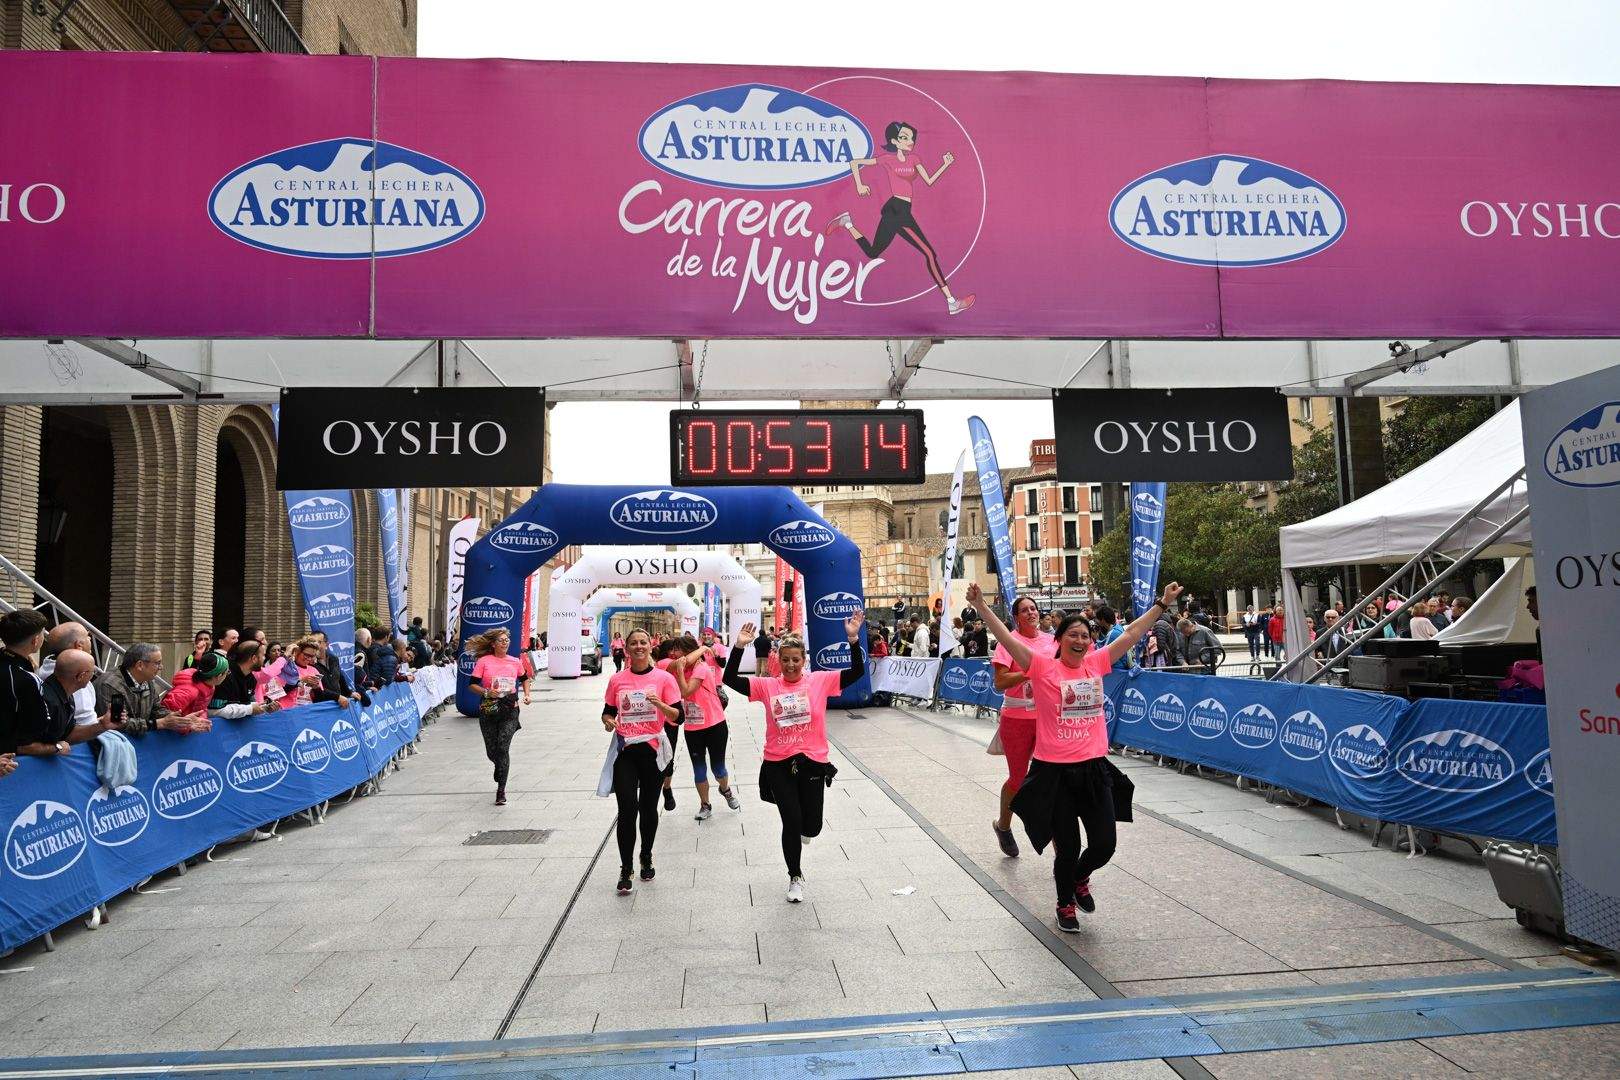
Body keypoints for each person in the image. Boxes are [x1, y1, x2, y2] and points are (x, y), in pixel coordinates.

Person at [969, 579, 1181, 932]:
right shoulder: (1042, 667)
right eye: (1073, 635)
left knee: (1104, 846)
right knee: (1066, 848)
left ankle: (1080, 878)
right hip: (1055, 773)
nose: (1080, 641)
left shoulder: (1096, 664)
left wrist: (1162, 603)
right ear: (1059, 640)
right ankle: (1065, 902)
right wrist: (980, 607)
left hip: (1094, 769)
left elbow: (1130, 636)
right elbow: (1006, 640)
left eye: (1086, 636)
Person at [722, 614, 866, 903]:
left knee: (811, 826)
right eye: (785, 660)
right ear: (779, 660)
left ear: (804, 661)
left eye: (795, 660)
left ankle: (805, 832)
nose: (790, 665)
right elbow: (729, 679)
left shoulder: (819, 681)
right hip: (778, 762)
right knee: (791, 820)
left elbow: (856, 673)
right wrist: (738, 647)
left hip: (813, 761)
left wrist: (852, 639)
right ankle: (795, 876)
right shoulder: (767, 686)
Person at [824, 120, 974, 316]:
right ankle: (951, 302)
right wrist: (859, 184)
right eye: (904, 138)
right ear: (894, 141)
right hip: (896, 210)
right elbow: (855, 163)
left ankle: (847, 222)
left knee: (872, 252)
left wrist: (945, 165)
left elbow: (929, 181)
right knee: (929, 253)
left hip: (903, 211)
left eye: (911, 138)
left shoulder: (915, 159)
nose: (909, 141)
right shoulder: (888, 159)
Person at [601, 628, 683, 894]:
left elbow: (678, 716)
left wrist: (658, 703)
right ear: (626, 648)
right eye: (634, 643)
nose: (639, 646)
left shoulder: (664, 678)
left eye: (643, 642)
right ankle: (626, 867)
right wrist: (608, 722)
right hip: (626, 752)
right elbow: (608, 712)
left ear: (651, 646)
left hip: (652, 751)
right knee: (627, 809)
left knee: (649, 808)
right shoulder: (617, 680)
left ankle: (646, 855)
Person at [988, 595, 1054, 857]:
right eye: (1024, 610)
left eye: (1033, 609)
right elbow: (1000, 681)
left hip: (1047, 718)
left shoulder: (1052, 641)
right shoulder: (1009, 642)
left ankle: (1064, 855)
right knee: (1018, 779)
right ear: (1016, 617)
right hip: (1016, 718)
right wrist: (1031, 671)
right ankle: (1003, 826)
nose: (1030, 613)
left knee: (1053, 780)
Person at [665, 634, 739, 820]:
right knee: (699, 769)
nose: (673, 654)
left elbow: (686, 691)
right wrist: (700, 651)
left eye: (677, 650)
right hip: (692, 728)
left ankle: (725, 789)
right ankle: (705, 805)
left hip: (715, 725)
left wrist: (681, 671)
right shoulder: (677, 666)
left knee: (718, 768)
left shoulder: (702, 668)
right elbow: (670, 666)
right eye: (673, 650)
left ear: (687, 651)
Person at [468, 628, 531, 806]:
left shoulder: (515, 661)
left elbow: (525, 678)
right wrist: (487, 692)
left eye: (506, 640)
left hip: (510, 707)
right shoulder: (484, 661)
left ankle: (501, 790)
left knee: (503, 747)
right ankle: (499, 765)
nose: (505, 642)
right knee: (492, 751)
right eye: (501, 640)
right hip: (489, 707)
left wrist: (527, 695)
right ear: (493, 644)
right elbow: (472, 685)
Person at [95, 644, 200, 737]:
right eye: (157, 663)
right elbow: (117, 723)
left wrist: (181, 719)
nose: (161, 667)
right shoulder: (111, 685)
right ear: (140, 665)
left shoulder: (147, 680)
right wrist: (159, 723)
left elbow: (157, 709)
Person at [1, 610, 52, 755]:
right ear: (36, 640)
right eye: (43, 633)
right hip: (11, 757)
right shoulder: (25, 678)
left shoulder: (21, 669)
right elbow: (40, 726)